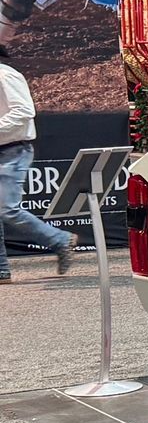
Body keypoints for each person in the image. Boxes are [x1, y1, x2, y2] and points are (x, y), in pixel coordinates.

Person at [0, 42, 75, 280]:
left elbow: (24, 111)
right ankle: (1, 270)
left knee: (8, 209)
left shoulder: (6, 75)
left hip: (13, 150)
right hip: (8, 149)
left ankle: (60, 239)